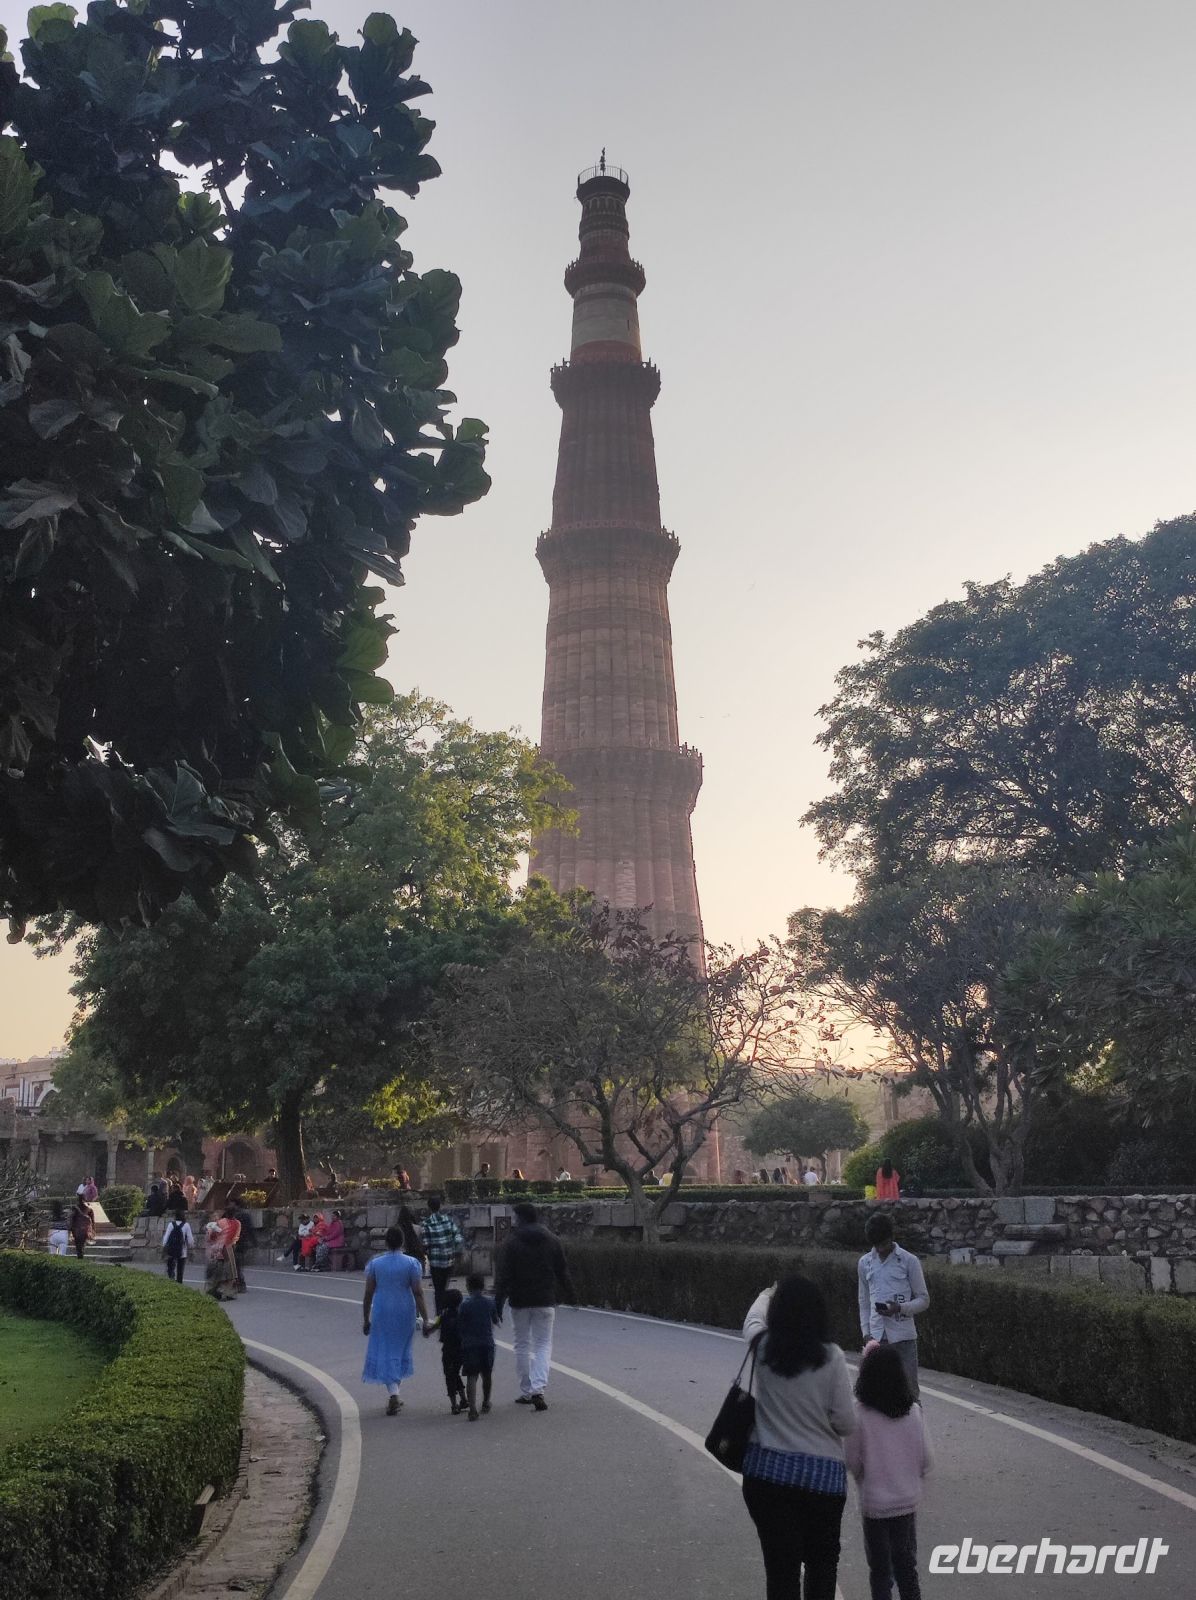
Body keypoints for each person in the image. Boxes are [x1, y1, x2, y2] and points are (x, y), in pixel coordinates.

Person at [740, 1276, 856, 1600]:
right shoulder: (831, 1357)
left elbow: (751, 1320)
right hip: (822, 1484)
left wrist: (766, 1293)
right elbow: (847, 1423)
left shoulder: (762, 1347)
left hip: (767, 1478)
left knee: (781, 1572)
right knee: (821, 1568)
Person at [845, 1342, 933, 1600]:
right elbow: (926, 1460)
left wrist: (864, 1474)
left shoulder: (860, 1414)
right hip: (906, 1504)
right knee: (907, 1569)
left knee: (881, 1572)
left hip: (875, 1506)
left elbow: (851, 1459)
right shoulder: (914, 1412)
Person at [494, 1201, 576, 1412]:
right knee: (543, 1344)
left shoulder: (510, 1242)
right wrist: (571, 1294)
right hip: (545, 1299)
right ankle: (539, 1388)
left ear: (520, 1218)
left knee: (521, 1345)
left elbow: (503, 1276)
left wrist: (497, 1304)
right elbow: (562, 1270)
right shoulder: (552, 1240)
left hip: (519, 1301)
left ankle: (526, 1390)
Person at [858, 1213, 929, 1401]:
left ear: (891, 1238)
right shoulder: (865, 1263)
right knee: (877, 1397)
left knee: (910, 1395)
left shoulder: (909, 1261)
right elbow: (864, 1301)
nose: (880, 1249)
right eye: (876, 1245)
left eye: (883, 1244)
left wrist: (900, 1308)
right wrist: (866, 1332)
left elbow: (924, 1299)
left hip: (903, 1336)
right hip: (877, 1338)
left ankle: (916, 1428)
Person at [362, 1224, 430, 1416]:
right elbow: (418, 1292)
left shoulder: (376, 1264)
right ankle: (395, 1392)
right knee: (400, 1350)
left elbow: (368, 1294)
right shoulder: (411, 1264)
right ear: (402, 1242)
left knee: (386, 1349)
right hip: (404, 1310)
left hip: (382, 1310)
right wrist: (425, 1318)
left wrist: (366, 1318)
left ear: (386, 1242)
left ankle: (394, 1392)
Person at [458, 1271, 501, 1421]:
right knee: (487, 1374)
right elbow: (496, 1320)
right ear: (483, 1286)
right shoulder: (490, 1302)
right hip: (487, 1343)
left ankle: (472, 1409)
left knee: (471, 1375)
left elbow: (460, 1324)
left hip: (469, 1344)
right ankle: (486, 1402)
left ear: (468, 1286)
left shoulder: (464, 1304)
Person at [423, 1287, 468, 1414]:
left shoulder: (443, 1316)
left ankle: (454, 1404)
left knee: (449, 1375)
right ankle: (464, 1399)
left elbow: (434, 1327)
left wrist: (427, 1331)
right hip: (461, 1349)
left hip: (448, 1349)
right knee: (455, 1373)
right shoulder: (462, 1315)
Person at [422, 1194, 464, 1312]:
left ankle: (439, 1313)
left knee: (438, 1289)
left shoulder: (426, 1223)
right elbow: (458, 1238)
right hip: (449, 1260)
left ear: (429, 1207)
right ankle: (446, 1310)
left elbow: (426, 1244)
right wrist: (456, 1252)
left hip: (435, 1262)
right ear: (440, 1206)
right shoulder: (448, 1220)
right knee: (444, 1287)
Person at [204, 1219, 238, 1300]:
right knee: (225, 1277)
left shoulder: (211, 1238)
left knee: (214, 1278)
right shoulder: (222, 1239)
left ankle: (212, 1292)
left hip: (214, 1259)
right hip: (221, 1259)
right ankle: (224, 1293)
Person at [162, 1210, 194, 1284]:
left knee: (170, 1268)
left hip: (171, 1250)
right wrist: (191, 1246)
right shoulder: (186, 1225)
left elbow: (166, 1237)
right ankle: (179, 1284)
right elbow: (190, 1240)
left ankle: (171, 1282)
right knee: (180, 1271)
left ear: (175, 1216)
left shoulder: (171, 1224)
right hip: (182, 1251)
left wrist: (164, 1247)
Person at [69, 1196, 95, 1260]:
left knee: (78, 1246)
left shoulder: (74, 1208)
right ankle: (81, 1256)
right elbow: (93, 1221)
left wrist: (70, 1230)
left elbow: (71, 1219)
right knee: (82, 1245)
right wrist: (93, 1230)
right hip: (85, 1230)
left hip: (76, 1231)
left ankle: (80, 1257)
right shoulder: (89, 1209)